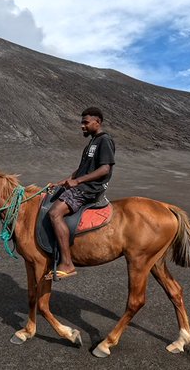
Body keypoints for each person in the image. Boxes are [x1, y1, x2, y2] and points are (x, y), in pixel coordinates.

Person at [46, 107, 115, 280]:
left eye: (85, 122)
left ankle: (67, 263)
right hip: (82, 186)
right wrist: (63, 182)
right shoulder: (91, 144)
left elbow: (105, 168)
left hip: (90, 190)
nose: (82, 126)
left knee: (55, 213)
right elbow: (81, 170)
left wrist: (77, 182)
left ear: (97, 122)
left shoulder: (104, 140)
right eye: (81, 123)